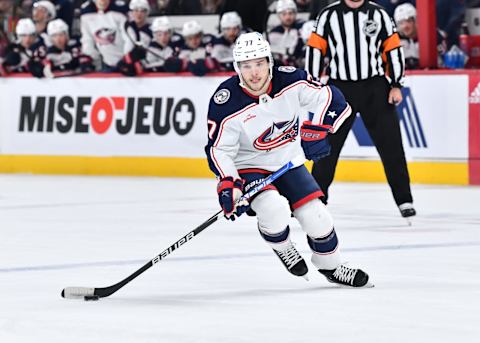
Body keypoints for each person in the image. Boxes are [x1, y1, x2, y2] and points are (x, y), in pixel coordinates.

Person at [205, 32, 371, 287]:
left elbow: (332, 97)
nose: (254, 73)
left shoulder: (291, 79)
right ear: (238, 68)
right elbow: (219, 150)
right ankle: (283, 246)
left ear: (269, 62)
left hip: (288, 162)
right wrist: (229, 183)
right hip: (250, 166)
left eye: (259, 63)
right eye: (247, 66)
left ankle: (332, 266)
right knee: (274, 209)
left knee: (318, 217)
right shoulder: (225, 101)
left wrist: (321, 129)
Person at [305, 0, 416, 219]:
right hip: (340, 88)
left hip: (375, 88)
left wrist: (396, 84)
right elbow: (316, 50)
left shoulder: (379, 14)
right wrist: (313, 85)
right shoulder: (328, 15)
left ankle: (404, 200)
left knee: (391, 144)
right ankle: (315, 199)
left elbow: (392, 49)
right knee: (326, 147)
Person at [394, 3, 447, 69]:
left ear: (416, 21)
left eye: (408, 21)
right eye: (401, 23)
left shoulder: (432, 35)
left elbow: (444, 61)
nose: (405, 26)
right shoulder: (394, 40)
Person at [80, 0, 128, 71]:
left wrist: (128, 56)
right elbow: (87, 39)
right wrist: (88, 56)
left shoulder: (119, 10)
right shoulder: (87, 13)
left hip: (124, 59)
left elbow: (129, 37)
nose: (102, 2)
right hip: (105, 62)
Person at [268, 0, 305, 68]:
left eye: (290, 13)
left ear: (295, 13)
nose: (288, 17)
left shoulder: (303, 28)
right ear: (278, 15)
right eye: (284, 14)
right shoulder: (273, 33)